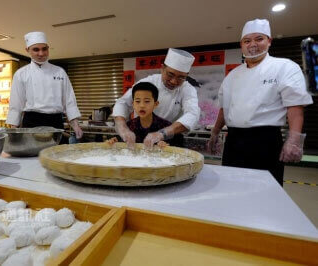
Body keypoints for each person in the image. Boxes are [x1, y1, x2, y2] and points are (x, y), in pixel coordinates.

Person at [208, 19, 313, 186]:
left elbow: (295, 106)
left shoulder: (285, 67)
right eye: (247, 41)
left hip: (266, 141)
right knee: (230, 186)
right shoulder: (233, 75)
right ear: (241, 44)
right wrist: (214, 133)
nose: (253, 45)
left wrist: (294, 140)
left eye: (259, 39)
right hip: (234, 140)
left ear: (269, 41)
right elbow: (225, 107)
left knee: (265, 190)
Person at [112, 48, 200, 148]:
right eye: (170, 74)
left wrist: (163, 133)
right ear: (162, 69)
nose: (174, 81)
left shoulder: (187, 89)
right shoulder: (149, 82)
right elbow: (122, 103)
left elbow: (192, 113)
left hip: (169, 141)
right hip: (141, 137)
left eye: (181, 77)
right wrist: (123, 128)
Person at [6, 31, 83, 139]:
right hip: (32, 122)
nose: (41, 53)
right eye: (36, 49)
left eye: (44, 49)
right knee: (32, 154)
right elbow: (16, 104)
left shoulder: (59, 72)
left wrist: (76, 125)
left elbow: (69, 100)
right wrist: (13, 130)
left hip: (55, 121)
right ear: (27, 50)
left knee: (54, 154)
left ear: (48, 48)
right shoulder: (21, 74)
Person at [108, 82, 171, 148]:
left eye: (147, 101)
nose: (142, 106)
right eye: (137, 101)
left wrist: (165, 145)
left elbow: (178, 149)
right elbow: (122, 146)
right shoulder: (129, 126)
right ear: (133, 104)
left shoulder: (166, 127)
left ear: (155, 104)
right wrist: (114, 142)